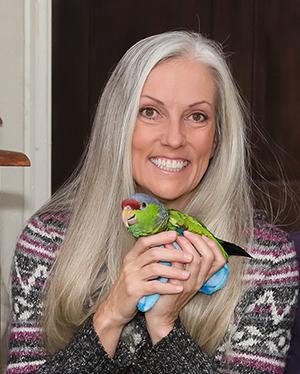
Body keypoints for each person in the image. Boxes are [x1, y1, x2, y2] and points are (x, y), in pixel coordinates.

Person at [6, 31, 298, 373]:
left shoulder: (266, 260)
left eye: (197, 116)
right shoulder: (47, 242)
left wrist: (165, 327)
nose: (174, 138)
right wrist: (110, 316)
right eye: (150, 112)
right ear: (119, 124)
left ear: (218, 137)